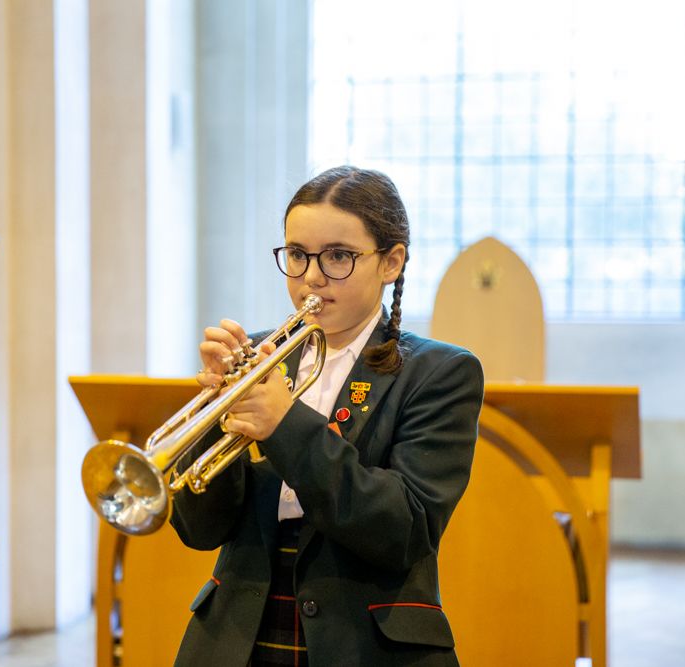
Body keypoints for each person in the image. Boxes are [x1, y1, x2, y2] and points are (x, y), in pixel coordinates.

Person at [170, 166, 484, 667]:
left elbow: (407, 529)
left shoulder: (440, 371)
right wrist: (211, 419)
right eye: (297, 254)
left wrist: (284, 424)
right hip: (238, 636)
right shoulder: (257, 355)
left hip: (366, 643)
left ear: (391, 262)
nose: (312, 275)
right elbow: (202, 531)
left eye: (338, 255)